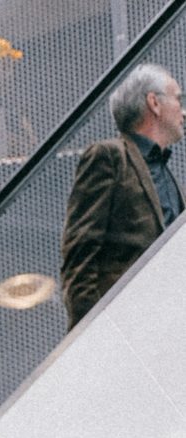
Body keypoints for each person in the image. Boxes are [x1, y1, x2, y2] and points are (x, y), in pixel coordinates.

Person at [61, 60, 184, 327]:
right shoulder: (109, 157)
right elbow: (80, 259)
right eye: (178, 99)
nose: (183, 112)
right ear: (154, 103)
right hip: (126, 328)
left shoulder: (164, 173)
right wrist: (90, 336)